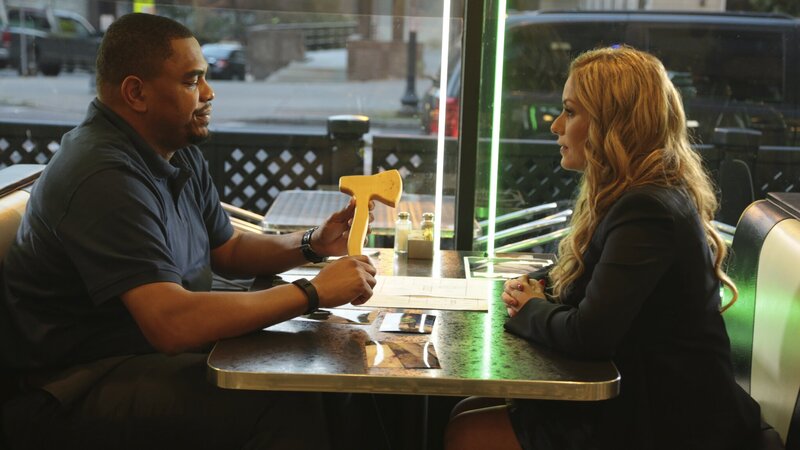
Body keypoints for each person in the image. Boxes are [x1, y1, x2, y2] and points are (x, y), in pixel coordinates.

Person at [0, 12, 379, 450]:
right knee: (283, 402)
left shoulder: (173, 148)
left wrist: (313, 244)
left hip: (142, 355)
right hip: (73, 386)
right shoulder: (101, 175)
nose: (209, 93)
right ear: (135, 92)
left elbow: (230, 248)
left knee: (333, 362)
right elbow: (170, 323)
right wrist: (313, 293)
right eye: (191, 80)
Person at [444, 46, 762, 450]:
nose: (556, 125)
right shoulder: (635, 194)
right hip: (643, 397)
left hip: (672, 421)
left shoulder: (647, 208)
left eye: (571, 112)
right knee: (467, 409)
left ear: (614, 124)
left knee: (468, 432)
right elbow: (586, 280)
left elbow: (590, 334)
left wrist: (529, 309)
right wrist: (538, 286)